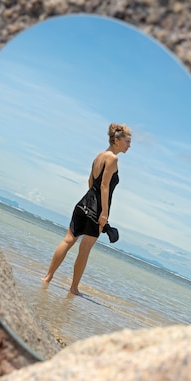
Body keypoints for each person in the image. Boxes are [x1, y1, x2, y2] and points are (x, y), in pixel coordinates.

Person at [42, 123, 132, 295]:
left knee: (68, 240)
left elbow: (91, 182)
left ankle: (47, 277)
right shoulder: (113, 158)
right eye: (127, 142)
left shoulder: (98, 156)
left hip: (83, 203)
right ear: (116, 141)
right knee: (84, 249)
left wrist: (91, 201)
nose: (129, 146)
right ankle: (74, 288)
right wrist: (104, 213)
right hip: (96, 209)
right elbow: (104, 186)